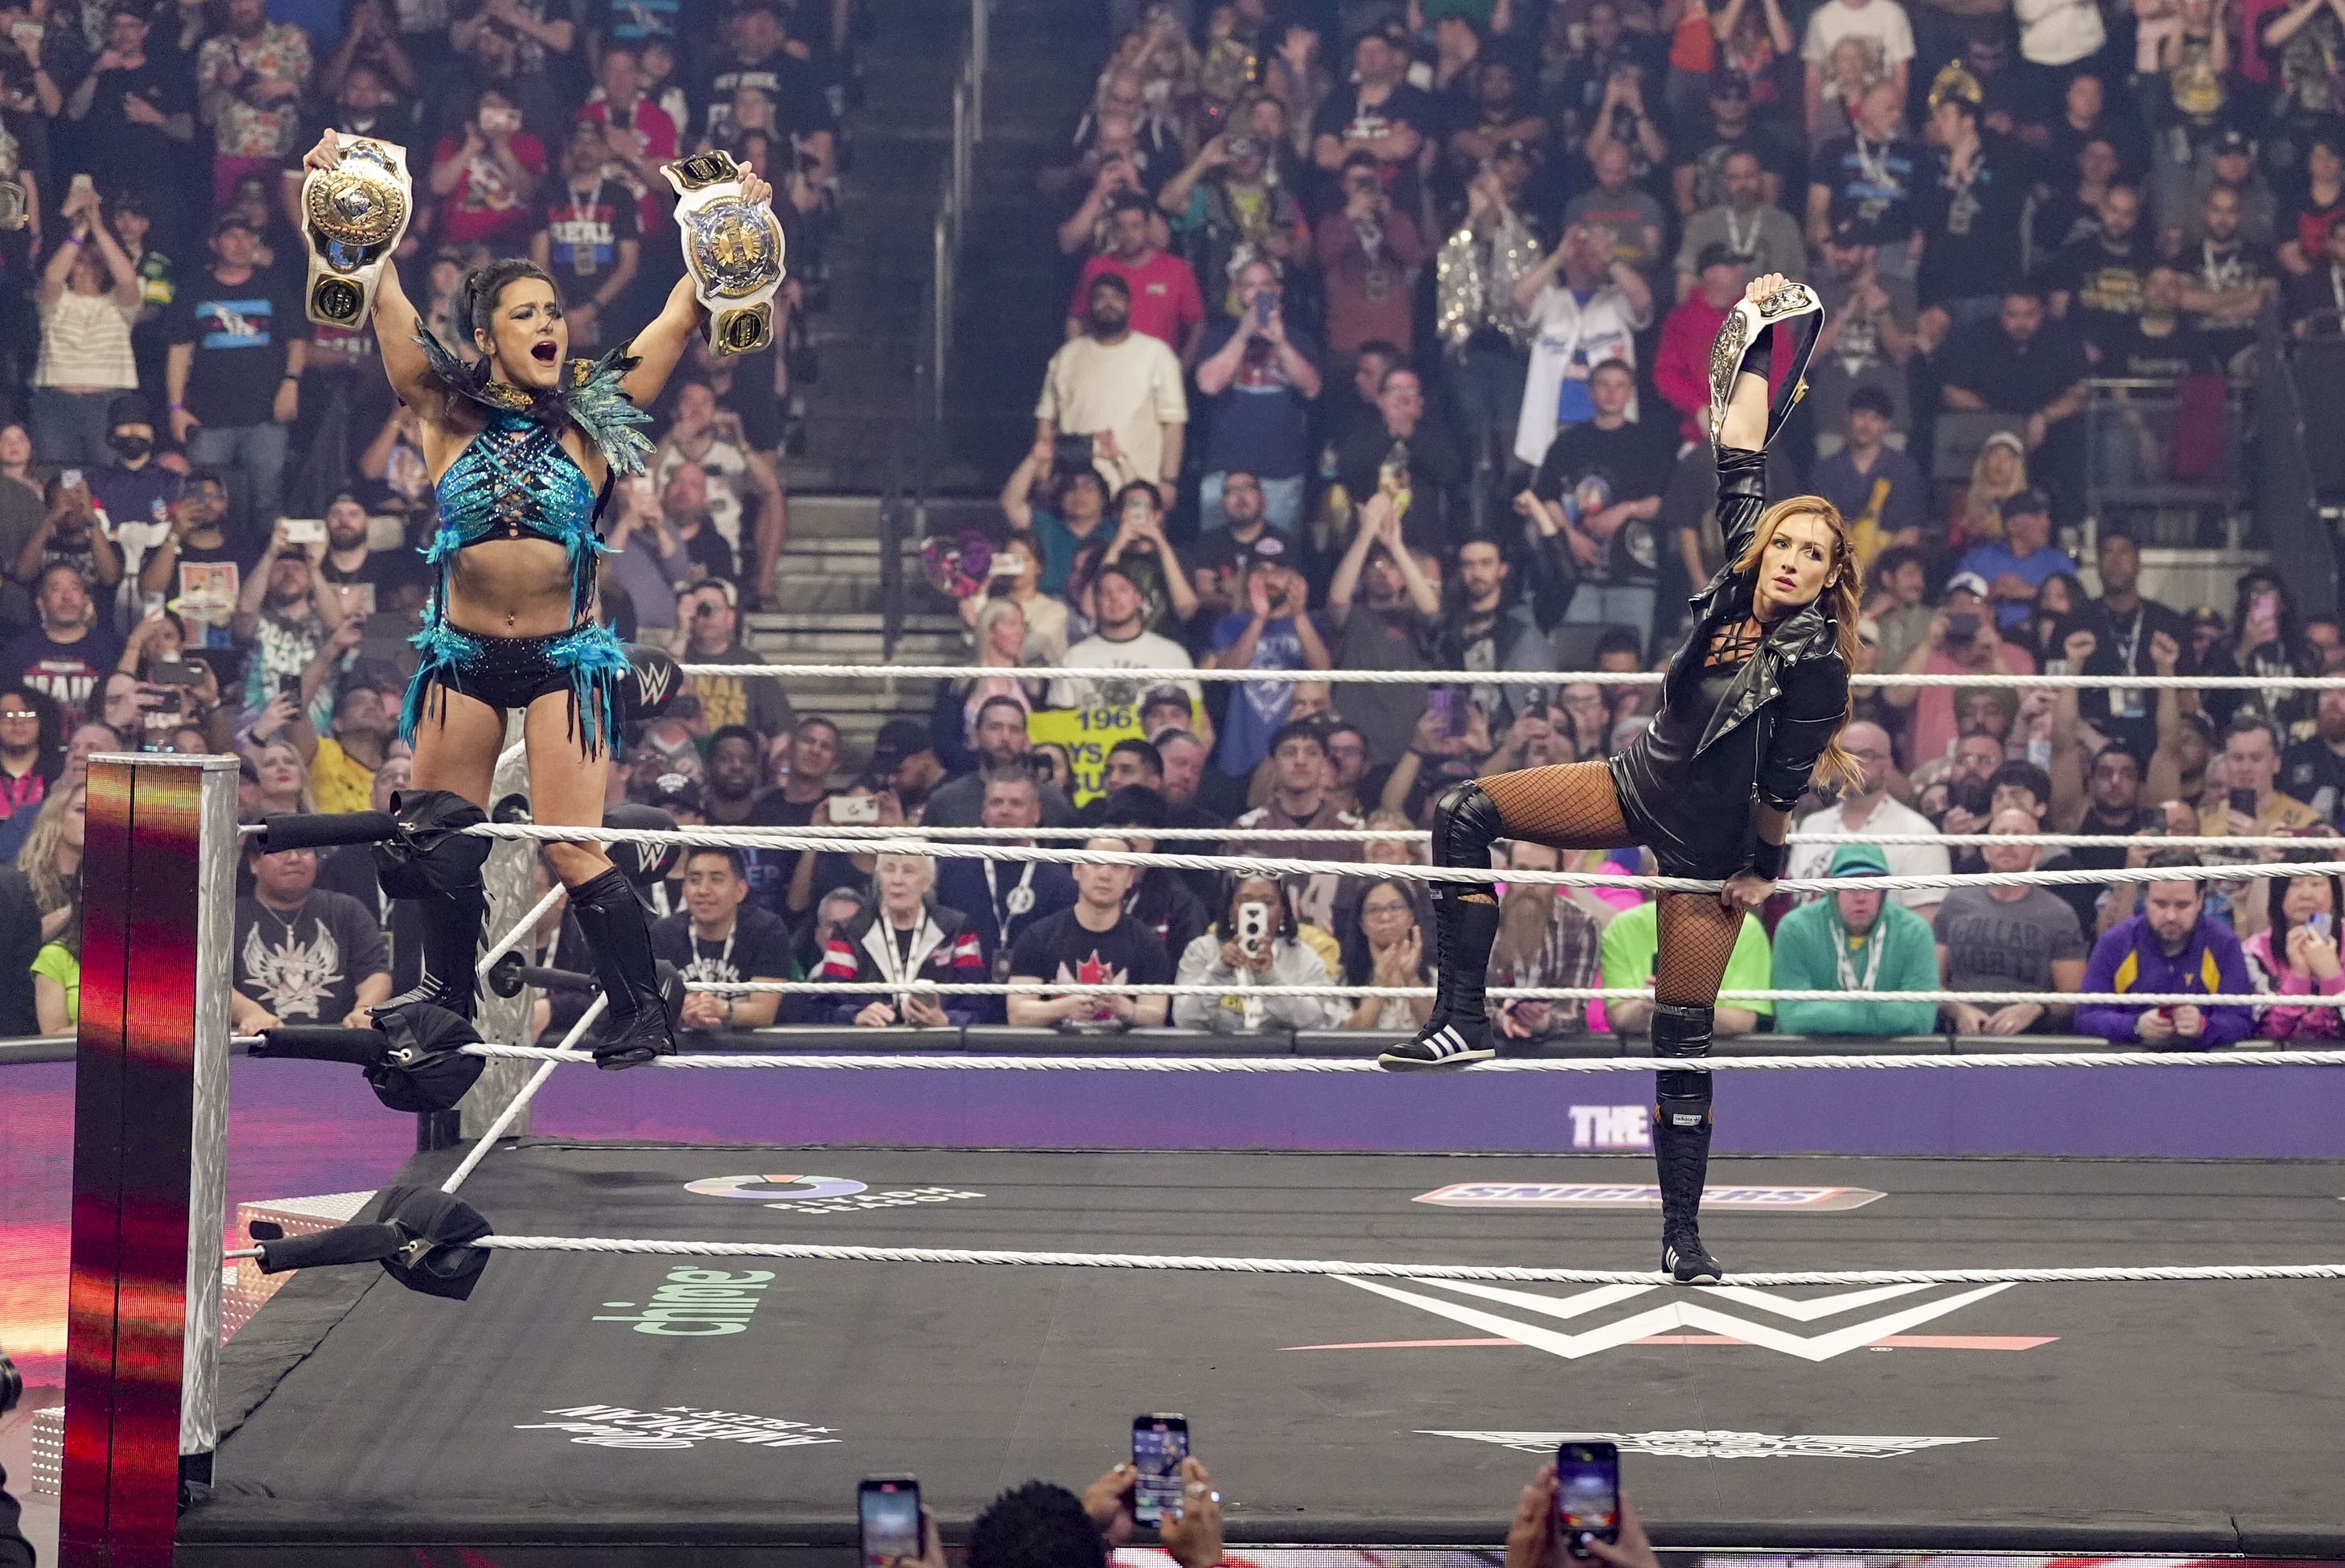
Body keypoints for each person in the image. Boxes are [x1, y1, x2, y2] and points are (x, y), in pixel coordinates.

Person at [1381, 275, 1862, 1289]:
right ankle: (1462, 1013)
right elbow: (1740, 448)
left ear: (1830, 575)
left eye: (1810, 553)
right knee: (1462, 811)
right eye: (1783, 540)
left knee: (1680, 1037)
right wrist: (1759, 329)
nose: (1788, 558)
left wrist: (1759, 871)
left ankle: (1682, 1235)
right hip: (1636, 780)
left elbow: (1780, 785)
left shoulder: (1817, 660)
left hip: (1710, 849)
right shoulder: (1739, 571)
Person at [297, 127, 775, 1068]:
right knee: (438, 841)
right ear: (485, 337)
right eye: (525, 312)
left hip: (565, 659)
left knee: (568, 846)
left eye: (554, 309)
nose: (549, 322)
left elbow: (682, 312)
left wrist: (730, 221)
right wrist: (345, 193)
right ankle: (444, 1005)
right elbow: (375, 285)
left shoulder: (594, 415)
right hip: (462, 656)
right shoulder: (443, 409)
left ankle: (640, 1008)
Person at [2076, 851, 2256, 1047]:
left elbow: (2242, 1021)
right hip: (2130, 1061)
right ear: (2145, 898)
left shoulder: (2224, 942)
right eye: (2160, 904)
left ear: (2200, 900)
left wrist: (2205, 1026)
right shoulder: (2116, 942)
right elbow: (2086, 1016)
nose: (2171, 916)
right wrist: (2135, 1026)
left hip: (2202, 1062)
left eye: (2182, 905)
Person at [1934, 805, 2088, 1033]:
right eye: (2001, 834)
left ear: (2037, 853)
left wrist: (2036, 1008)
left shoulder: (2059, 914)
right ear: (1986, 850)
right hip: (1961, 1036)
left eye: (2019, 834)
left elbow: (2073, 994)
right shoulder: (1955, 902)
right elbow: (1930, 982)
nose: (2008, 842)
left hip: (2030, 1040)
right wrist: (1958, 1009)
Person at [1781, 718, 1947, 921]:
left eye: (1865, 754)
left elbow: (1924, 925)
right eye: (1844, 753)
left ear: (1888, 765)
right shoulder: (1812, 826)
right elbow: (1794, 906)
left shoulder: (1919, 834)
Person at [1771, 842, 1940, 1035]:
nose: (1860, 897)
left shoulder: (1915, 932)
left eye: (1870, 886)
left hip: (1888, 1052)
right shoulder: (1796, 929)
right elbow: (1792, 1016)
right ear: (1833, 890)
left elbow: (1920, 1018)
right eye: (1850, 885)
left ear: (1884, 891)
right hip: (1811, 1053)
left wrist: (1832, 1013)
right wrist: (1877, 1012)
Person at [934, 763, 1079, 986]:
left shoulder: (1060, 880)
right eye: (996, 802)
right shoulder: (952, 870)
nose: (1005, 810)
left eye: (1016, 803)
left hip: (1034, 996)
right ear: (984, 811)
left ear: (1036, 813)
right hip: (964, 995)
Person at [1006, 838, 1173, 1029]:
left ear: (1130, 878)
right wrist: (1064, 1007)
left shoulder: (1148, 943)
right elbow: (1017, 1014)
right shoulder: (1038, 937)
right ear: (1077, 869)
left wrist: (1125, 1008)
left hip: (1120, 1048)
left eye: (1117, 866)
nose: (1105, 875)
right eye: (1095, 863)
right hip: (1056, 1048)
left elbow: (1157, 1015)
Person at [817, 844, 989, 1028]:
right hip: (870, 1041)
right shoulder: (849, 932)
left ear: (928, 881)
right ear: (879, 878)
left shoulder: (957, 929)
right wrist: (856, 1015)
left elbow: (978, 1007)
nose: (897, 880)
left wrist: (946, 1020)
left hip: (938, 1042)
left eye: (909, 871)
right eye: (889, 869)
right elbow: (826, 1006)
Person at [230, 842, 393, 1030]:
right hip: (253, 1042)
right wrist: (250, 1013)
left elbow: (376, 973)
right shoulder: (228, 918)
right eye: (280, 850)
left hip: (339, 1040)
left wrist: (365, 1009)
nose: (294, 858)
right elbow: (210, 981)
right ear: (254, 863)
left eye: (304, 850)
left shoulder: (347, 910)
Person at [1173, 871, 1343, 1032]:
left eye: (1267, 903)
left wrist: (1271, 979)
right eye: (1245, 901)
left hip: (1279, 1053)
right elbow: (1183, 1018)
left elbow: (1315, 1022)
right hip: (1214, 1051)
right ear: (1230, 908)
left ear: (1283, 911)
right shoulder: (1201, 951)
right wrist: (1217, 973)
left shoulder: (1305, 958)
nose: (1255, 911)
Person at [652, 846, 790, 1033]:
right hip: (681, 1045)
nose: (703, 890)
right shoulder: (662, 933)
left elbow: (765, 1011)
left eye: (716, 879)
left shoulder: (767, 930)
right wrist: (682, 1011)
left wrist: (721, 1010)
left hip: (747, 1046)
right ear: (684, 889)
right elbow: (650, 1008)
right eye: (694, 880)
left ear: (740, 890)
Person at [1486, 840, 1606, 1040]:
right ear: (1506, 871)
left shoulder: (1582, 925)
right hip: (1489, 1041)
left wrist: (1543, 1022)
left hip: (1556, 1047)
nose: (1531, 883)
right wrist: (1499, 1018)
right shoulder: (1480, 917)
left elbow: (1572, 1009)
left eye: (1542, 873)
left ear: (1557, 878)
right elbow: (1468, 1000)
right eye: (1522, 870)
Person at [2242, 870, 2345, 1039]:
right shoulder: (2254, 953)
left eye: (2316, 884)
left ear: (2335, 893)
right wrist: (2298, 977)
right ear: (2279, 893)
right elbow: (2265, 1035)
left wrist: (2332, 976)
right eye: (2295, 884)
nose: (2306, 895)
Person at [1336, 876, 1434, 1031]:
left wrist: (1412, 980)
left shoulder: (1439, 978)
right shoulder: (1342, 982)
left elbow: (1443, 1032)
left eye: (1396, 907)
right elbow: (1341, 1041)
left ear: (1411, 916)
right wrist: (1380, 984)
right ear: (1361, 923)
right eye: (1373, 909)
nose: (1385, 917)